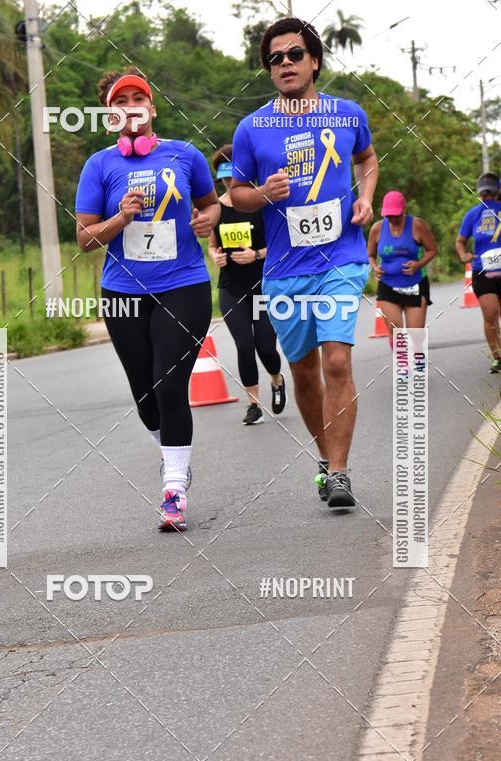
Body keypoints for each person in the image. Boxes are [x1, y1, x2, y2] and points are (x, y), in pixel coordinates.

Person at [230, 17, 378, 508]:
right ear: (268, 71)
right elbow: (235, 195)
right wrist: (261, 193)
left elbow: (368, 160)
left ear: (314, 61)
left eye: (295, 55)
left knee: (337, 360)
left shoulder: (347, 113)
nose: (286, 64)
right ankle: (324, 456)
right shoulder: (253, 129)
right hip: (286, 270)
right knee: (305, 372)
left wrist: (366, 199)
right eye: (276, 59)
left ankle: (340, 471)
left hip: (342, 256)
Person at [75, 67, 220, 531]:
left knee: (170, 385)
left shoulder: (185, 154)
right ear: (111, 116)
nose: (131, 105)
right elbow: (84, 238)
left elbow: (211, 203)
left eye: (139, 98)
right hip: (123, 293)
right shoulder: (99, 166)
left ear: (152, 108)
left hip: (184, 284)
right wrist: (119, 218)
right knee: (146, 399)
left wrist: (207, 221)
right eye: (121, 101)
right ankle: (172, 453)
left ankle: (174, 489)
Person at [208, 144, 285, 425]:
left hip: (262, 285)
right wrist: (215, 255)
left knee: (265, 346)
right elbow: (212, 243)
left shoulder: (262, 204)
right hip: (231, 287)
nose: (230, 183)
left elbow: (281, 245)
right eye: (225, 179)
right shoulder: (215, 206)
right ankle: (253, 403)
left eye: (233, 177)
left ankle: (277, 378)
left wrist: (257, 254)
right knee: (244, 344)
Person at [367, 191, 437, 346]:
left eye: (396, 215)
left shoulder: (417, 225)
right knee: (396, 333)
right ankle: (404, 369)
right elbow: (370, 255)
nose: (392, 219)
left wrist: (418, 265)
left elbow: (433, 250)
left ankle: (417, 369)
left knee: (416, 335)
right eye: (389, 216)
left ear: (403, 210)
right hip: (388, 285)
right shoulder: (377, 229)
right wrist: (375, 267)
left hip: (415, 284)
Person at [455, 172, 501, 373]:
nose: (487, 197)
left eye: (490, 193)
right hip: (483, 271)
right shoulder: (473, 214)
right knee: (490, 315)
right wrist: (463, 255)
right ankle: (498, 356)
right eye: (484, 194)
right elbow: (460, 241)